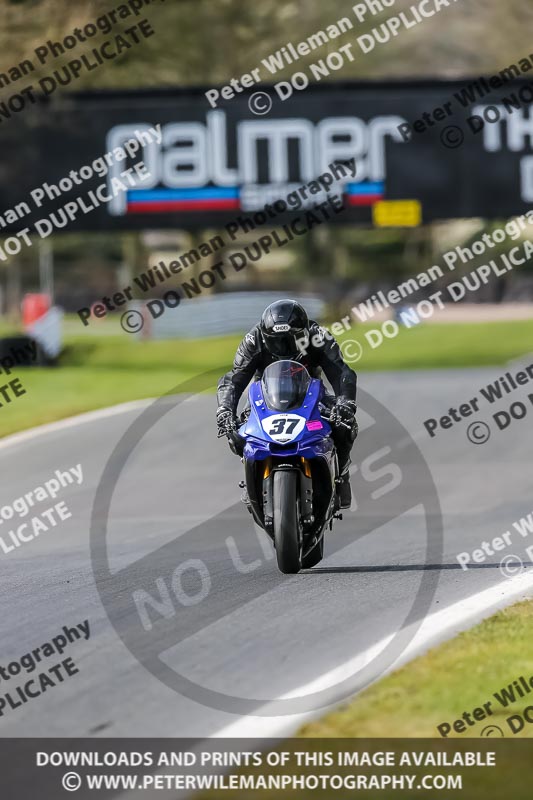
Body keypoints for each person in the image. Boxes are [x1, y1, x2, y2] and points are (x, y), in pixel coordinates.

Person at [216, 299, 358, 508]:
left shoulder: (317, 336)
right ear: (266, 337)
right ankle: (252, 476)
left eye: (290, 341)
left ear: (304, 333)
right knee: (237, 431)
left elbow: (341, 372)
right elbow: (233, 380)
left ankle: (342, 473)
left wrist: (345, 402)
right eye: (277, 341)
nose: (284, 347)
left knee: (345, 424)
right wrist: (225, 410)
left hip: (310, 393)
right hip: (265, 396)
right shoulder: (253, 340)